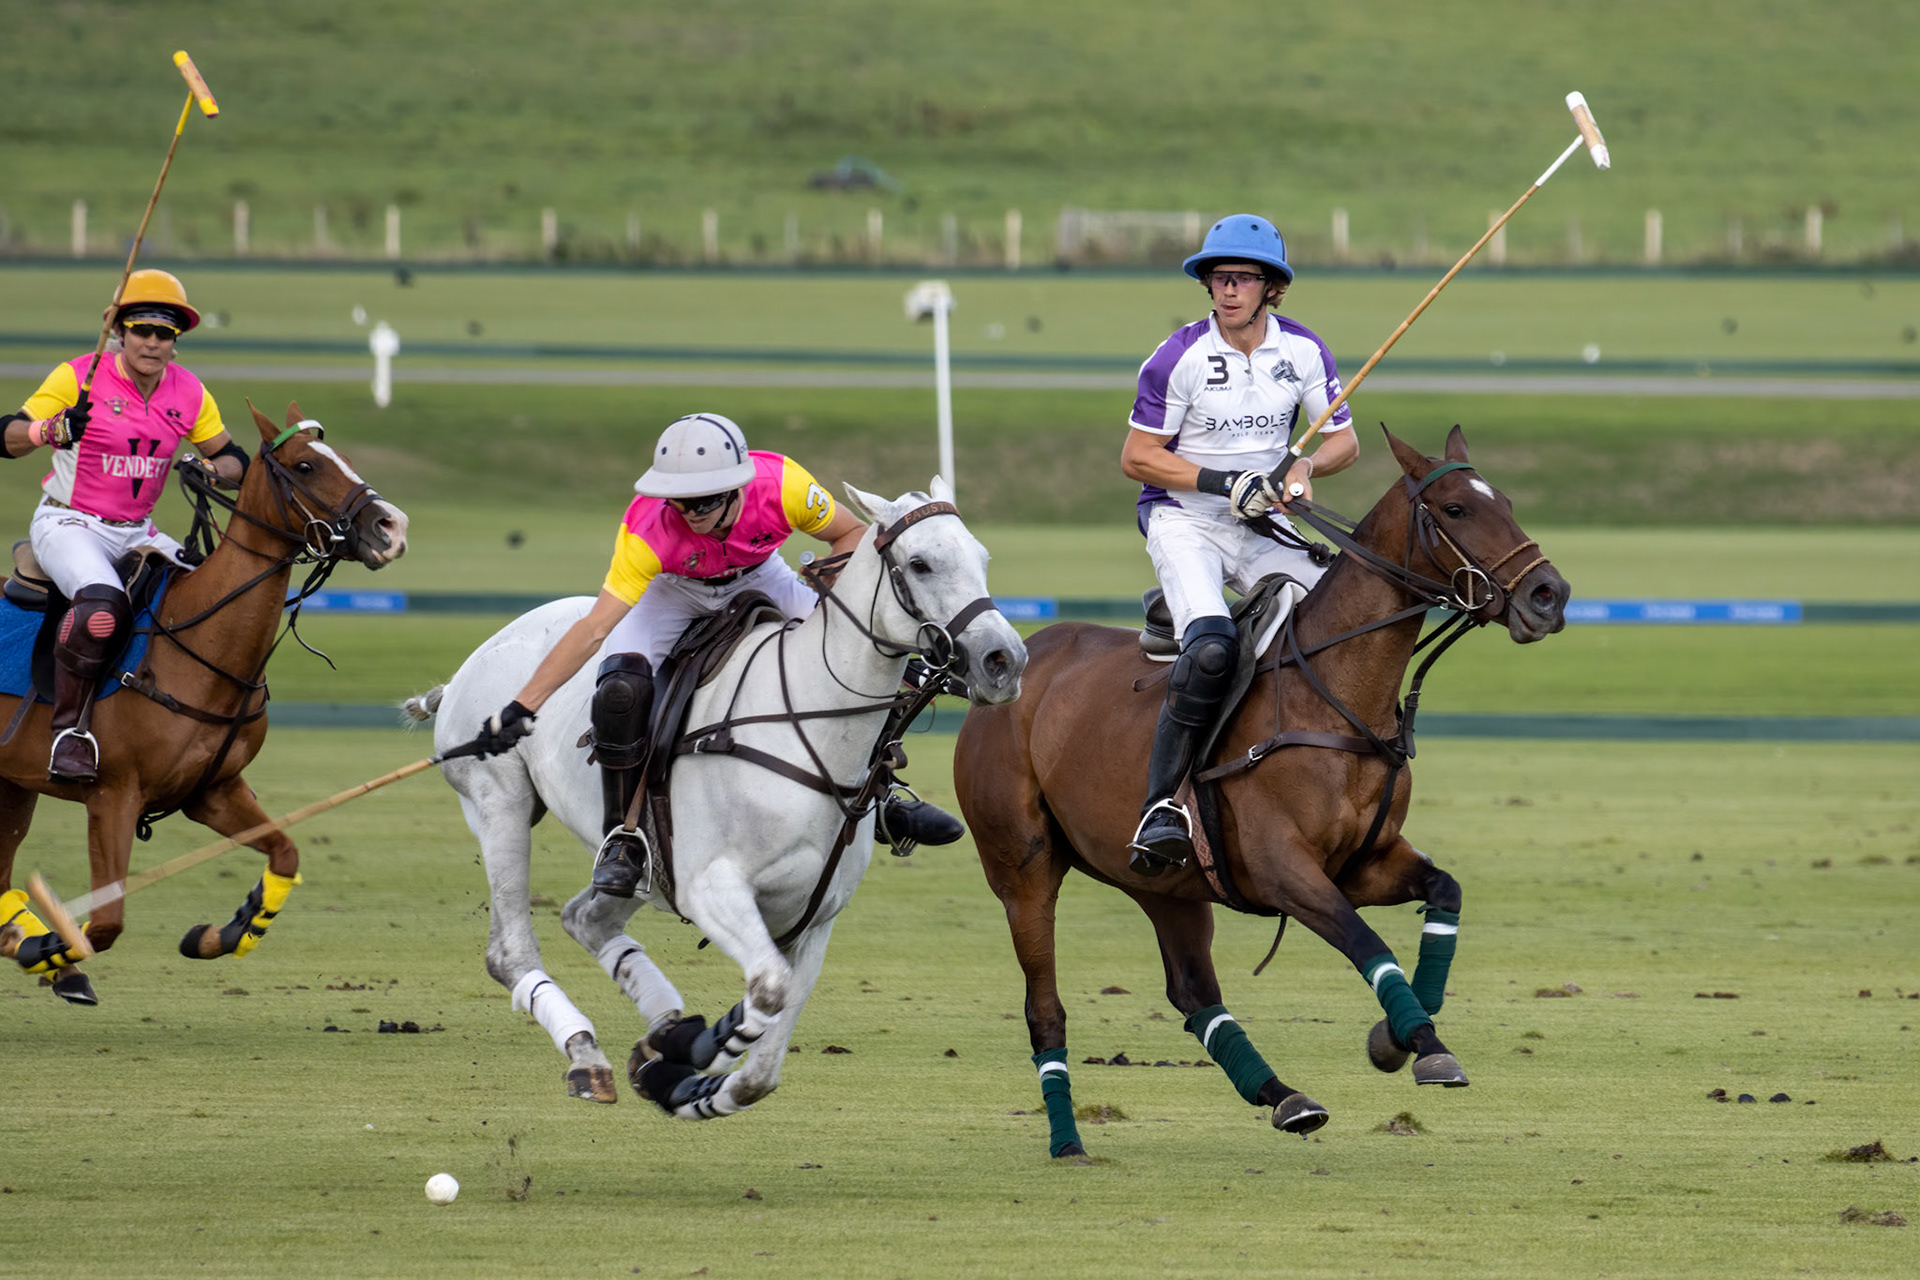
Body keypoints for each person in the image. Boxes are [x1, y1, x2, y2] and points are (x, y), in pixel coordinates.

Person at [472, 412, 964, 898]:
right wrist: (523, 706)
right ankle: (623, 838)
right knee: (621, 691)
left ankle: (883, 796)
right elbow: (594, 627)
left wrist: (829, 588)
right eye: (680, 502)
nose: (690, 513)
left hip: (760, 574)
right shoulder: (646, 529)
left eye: (704, 501)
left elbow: (851, 534)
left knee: (855, 655)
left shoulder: (784, 485)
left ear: (737, 488)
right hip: (672, 592)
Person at [1117, 214, 1360, 875]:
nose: (1228, 290)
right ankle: (1161, 807)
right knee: (1214, 648)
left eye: (1242, 278)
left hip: (1266, 524)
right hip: (1185, 519)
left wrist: (1303, 468)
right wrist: (1225, 481)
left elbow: (1343, 439)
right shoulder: (1179, 357)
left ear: (1271, 286)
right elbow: (1137, 457)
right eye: (1218, 277)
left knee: (1343, 621)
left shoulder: (1303, 352)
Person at [0, 269, 249, 783]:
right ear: (119, 331)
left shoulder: (190, 392)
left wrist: (210, 470)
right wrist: (52, 428)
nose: (153, 342)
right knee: (101, 611)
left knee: (210, 595)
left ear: (175, 344)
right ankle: (69, 734)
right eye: (142, 329)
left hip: (138, 529)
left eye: (165, 334)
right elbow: (6, 436)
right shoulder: (78, 376)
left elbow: (233, 459)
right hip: (69, 521)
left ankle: (180, 722)